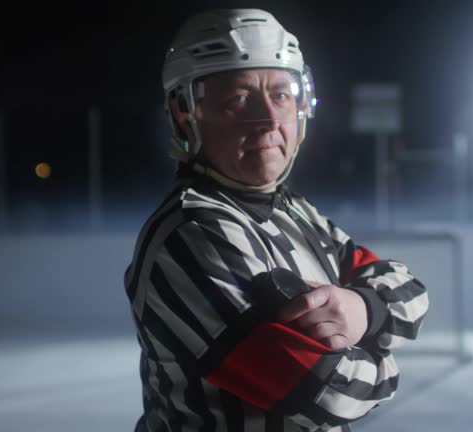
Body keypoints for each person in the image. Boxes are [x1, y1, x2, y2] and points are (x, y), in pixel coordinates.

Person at [124, 8, 429, 432]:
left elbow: (410, 290)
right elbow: (337, 393)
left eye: (282, 95)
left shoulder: (296, 212)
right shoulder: (191, 235)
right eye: (239, 99)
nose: (268, 119)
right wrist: (384, 352)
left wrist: (364, 307)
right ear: (184, 112)